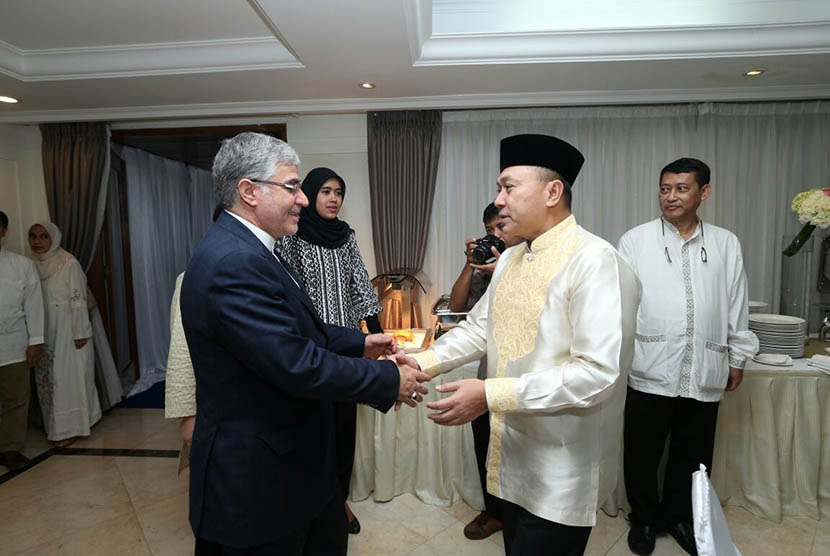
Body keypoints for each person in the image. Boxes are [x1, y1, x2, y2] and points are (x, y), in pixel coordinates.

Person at [180, 132, 431, 555]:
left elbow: (298, 327)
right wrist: (388, 378)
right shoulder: (234, 262)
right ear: (249, 192)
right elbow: (296, 363)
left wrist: (361, 345)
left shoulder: (255, 248)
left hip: (295, 464)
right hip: (259, 482)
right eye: (291, 186)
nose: (301, 198)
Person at [406, 134, 642, 556]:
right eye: (500, 188)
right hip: (510, 457)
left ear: (553, 192)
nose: (498, 200)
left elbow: (598, 374)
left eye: (509, 187)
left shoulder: (595, 260)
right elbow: (481, 329)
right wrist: (418, 362)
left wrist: (489, 395)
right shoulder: (512, 258)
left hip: (561, 470)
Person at [617, 158, 758, 556]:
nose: (671, 196)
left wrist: (738, 355)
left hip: (706, 365)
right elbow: (621, 305)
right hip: (650, 364)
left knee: (694, 453)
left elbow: (736, 302)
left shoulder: (726, 242)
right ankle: (643, 519)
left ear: (703, 193)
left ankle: (681, 518)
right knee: (642, 452)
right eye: (665, 189)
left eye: (681, 188)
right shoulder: (635, 240)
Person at [279, 167, 383, 534]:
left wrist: (377, 336)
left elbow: (362, 288)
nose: (334, 199)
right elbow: (287, 296)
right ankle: (314, 503)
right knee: (313, 428)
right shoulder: (292, 238)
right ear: (310, 194)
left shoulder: (347, 237)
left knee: (343, 428)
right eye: (325, 191)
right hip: (309, 352)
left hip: (348, 349)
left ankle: (339, 502)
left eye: (339, 192)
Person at [447, 203, 517, 540]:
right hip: (487, 370)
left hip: (521, 375)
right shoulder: (485, 264)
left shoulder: (525, 262)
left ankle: (517, 511)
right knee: (485, 442)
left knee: (516, 444)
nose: (496, 236)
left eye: (501, 229)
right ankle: (493, 511)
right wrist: (470, 263)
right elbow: (457, 309)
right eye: (491, 230)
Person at [28, 222, 101, 447]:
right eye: (33, 237)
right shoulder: (31, 265)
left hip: (68, 329)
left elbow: (78, 300)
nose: (37, 242)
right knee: (47, 379)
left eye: (43, 237)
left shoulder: (69, 263)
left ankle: (74, 427)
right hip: (44, 328)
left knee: (68, 378)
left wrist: (80, 332)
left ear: (54, 239)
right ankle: (54, 426)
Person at [0, 210, 44, 470]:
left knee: (16, 399)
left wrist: (35, 341)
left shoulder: (21, 265)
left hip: (13, 343)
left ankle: (10, 449)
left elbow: (34, 306)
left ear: (3, 231)